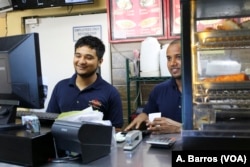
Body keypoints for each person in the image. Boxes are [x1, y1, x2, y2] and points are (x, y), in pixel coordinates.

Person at [46, 35, 123, 130]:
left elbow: (117, 129)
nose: (81, 61)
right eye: (78, 56)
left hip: (95, 144)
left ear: (100, 62)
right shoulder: (60, 87)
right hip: (62, 143)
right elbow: (49, 121)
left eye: (89, 57)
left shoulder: (111, 92)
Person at [124, 39, 182, 134]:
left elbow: (212, 129)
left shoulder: (203, 90)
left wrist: (179, 128)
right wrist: (142, 119)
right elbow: (148, 113)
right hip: (163, 146)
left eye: (178, 57)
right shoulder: (159, 90)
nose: (172, 63)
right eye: (169, 58)